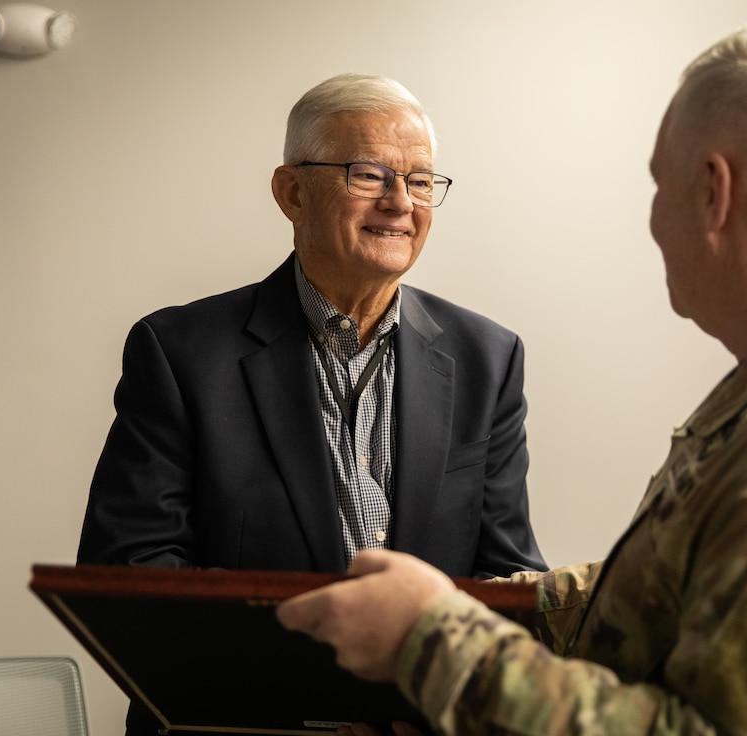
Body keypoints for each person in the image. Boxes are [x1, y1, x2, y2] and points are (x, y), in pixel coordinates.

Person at [276, 20, 747, 735]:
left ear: (712, 192)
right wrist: (486, 605)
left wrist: (433, 644)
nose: (654, 223)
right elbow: (700, 584)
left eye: (659, 186)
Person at [77, 73, 547, 733]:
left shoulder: (488, 360)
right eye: (368, 174)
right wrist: (325, 691)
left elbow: (508, 576)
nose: (399, 202)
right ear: (291, 192)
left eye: (419, 181)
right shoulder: (179, 352)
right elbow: (134, 577)